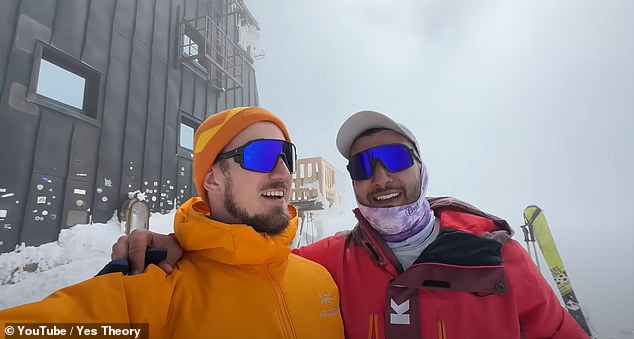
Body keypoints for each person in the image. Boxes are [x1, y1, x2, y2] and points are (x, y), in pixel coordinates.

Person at [113, 110, 589, 339]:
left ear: (421, 168)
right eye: (363, 167)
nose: (380, 177)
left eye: (394, 159)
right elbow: (250, 262)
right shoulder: (329, 263)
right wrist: (183, 244)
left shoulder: (498, 258)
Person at [0, 107, 344, 339]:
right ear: (212, 179)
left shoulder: (320, 281)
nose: (283, 172)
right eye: (262, 155)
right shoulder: (157, 286)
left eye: (287, 155)